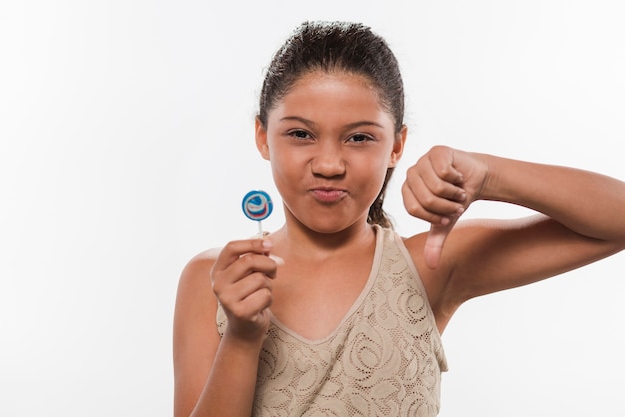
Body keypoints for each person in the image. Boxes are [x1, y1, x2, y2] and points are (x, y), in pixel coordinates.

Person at [172, 21, 625, 417]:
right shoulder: (209, 280)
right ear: (262, 136)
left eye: (359, 137)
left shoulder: (429, 266)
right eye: (300, 133)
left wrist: (490, 176)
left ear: (397, 145)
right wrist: (242, 336)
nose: (329, 163)